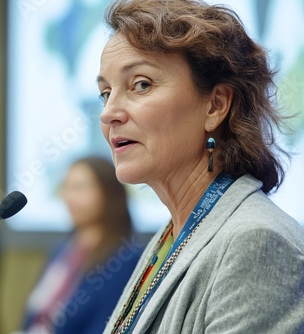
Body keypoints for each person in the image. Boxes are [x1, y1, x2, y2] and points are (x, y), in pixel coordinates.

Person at [96, 1, 304, 333]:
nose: (109, 113)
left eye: (140, 84)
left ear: (216, 105)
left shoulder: (257, 243)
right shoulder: (171, 236)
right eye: (105, 93)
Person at [22, 156, 143, 334]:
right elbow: (35, 312)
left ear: (108, 193)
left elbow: (104, 325)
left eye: (79, 188)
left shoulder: (126, 258)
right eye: (66, 187)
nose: (69, 197)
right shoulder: (63, 251)